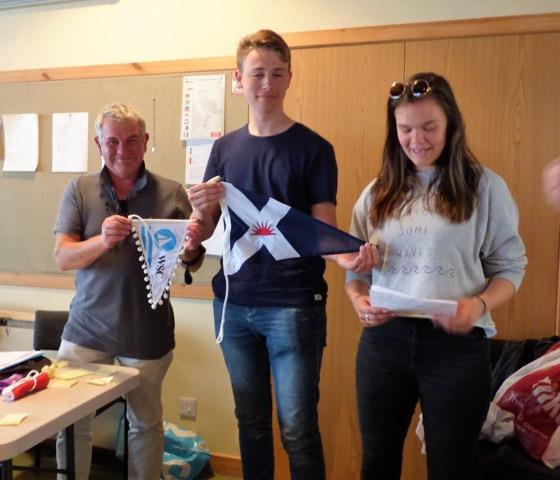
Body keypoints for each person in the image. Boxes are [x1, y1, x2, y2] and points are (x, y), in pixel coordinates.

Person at [187, 29, 375, 479]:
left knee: (296, 428)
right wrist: (196, 223)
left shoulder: (314, 148)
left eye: (276, 74)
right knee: (250, 423)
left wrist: (347, 257)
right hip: (232, 304)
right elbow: (210, 226)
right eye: (256, 74)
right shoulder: (223, 148)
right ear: (239, 79)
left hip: (294, 304)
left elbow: (322, 227)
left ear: (290, 77)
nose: (266, 84)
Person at [345, 72, 527, 480]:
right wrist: (360, 301)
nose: (417, 140)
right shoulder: (377, 192)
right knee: (377, 463)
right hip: (384, 344)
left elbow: (511, 268)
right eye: (405, 129)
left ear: (451, 126)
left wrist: (477, 304)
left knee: (450, 467)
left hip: (457, 349)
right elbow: (354, 272)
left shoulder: (485, 188)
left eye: (429, 127)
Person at [52, 103, 203, 480]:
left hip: (146, 333)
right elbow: (63, 256)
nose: (122, 150)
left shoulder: (172, 193)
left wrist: (191, 249)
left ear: (146, 141)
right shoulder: (79, 189)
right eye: (113, 141)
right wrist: (101, 242)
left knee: (146, 425)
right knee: (70, 423)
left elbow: (190, 260)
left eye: (132, 140)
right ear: (98, 143)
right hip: (87, 328)